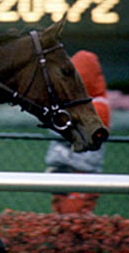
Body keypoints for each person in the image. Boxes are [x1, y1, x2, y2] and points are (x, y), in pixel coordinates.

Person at [45, 50, 110, 214]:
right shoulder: (80, 104)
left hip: (81, 172)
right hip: (64, 170)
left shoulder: (98, 106)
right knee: (60, 220)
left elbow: (69, 132)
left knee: (73, 218)